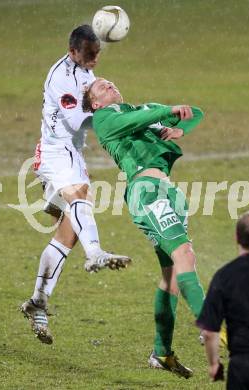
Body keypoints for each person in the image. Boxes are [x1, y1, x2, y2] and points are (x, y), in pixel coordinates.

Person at [82, 78, 206, 378]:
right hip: (146, 191)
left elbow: (194, 113)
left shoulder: (142, 110)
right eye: (101, 87)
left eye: (110, 82)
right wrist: (165, 112)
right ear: (95, 103)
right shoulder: (104, 119)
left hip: (169, 193)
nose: (108, 85)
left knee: (173, 275)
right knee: (185, 255)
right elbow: (140, 118)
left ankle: (161, 352)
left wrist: (179, 128)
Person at [20, 26, 130, 345]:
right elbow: (76, 122)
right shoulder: (61, 78)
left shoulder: (85, 72)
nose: (95, 59)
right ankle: (94, 252)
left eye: (98, 53)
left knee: (67, 234)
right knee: (80, 195)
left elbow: (104, 107)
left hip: (72, 154)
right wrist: (113, 118)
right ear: (73, 52)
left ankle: (38, 302)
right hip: (56, 151)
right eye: (89, 54)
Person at [197, 211, 249, 389]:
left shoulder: (225, 276)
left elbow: (209, 332)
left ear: (237, 237)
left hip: (244, 368)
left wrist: (214, 364)